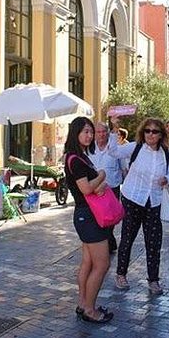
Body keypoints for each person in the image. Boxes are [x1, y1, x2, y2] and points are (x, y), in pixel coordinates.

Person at [108, 117, 169, 295]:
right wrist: (114, 129)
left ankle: (153, 280)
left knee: (153, 242)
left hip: (153, 201)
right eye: (147, 131)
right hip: (133, 198)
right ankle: (121, 274)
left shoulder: (165, 153)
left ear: (161, 134)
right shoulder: (135, 147)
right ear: (142, 132)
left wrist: (167, 179)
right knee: (127, 238)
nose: (150, 135)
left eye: (155, 131)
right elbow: (114, 152)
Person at [63, 116, 113, 324]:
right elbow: (86, 189)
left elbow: (89, 188)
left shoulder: (79, 156)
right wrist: (101, 175)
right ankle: (90, 310)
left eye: (91, 131)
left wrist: (97, 184)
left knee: (88, 262)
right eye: (85, 131)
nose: (89, 135)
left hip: (86, 214)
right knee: (102, 265)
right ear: (75, 133)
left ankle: (84, 303)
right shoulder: (75, 159)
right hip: (89, 216)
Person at [88, 122, 124, 254]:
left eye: (104, 131)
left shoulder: (115, 148)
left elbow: (123, 168)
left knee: (110, 219)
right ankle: (107, 242)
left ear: (108, 133)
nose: (101, 134)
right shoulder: (89, 149)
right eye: (98, 132)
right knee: (96, 218)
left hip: (112, 189)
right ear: (94, 134)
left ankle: (107, 241)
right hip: (95, 190)